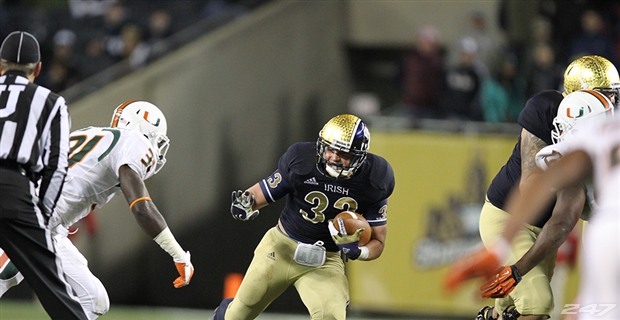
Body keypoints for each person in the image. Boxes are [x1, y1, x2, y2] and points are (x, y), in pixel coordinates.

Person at [444, 55, 620, 320]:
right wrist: (506, 254)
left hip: (554, 226)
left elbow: (563, 217)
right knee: (537, 305)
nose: (613, 103)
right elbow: (536, 187)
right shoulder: (565, 117)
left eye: (614, 95)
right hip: (510, 215)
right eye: (603, 96)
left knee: (517, 309)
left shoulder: (601, 127)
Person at [0, 100, 195, 319]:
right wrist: (178, 254)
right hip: (29, 212)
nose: (156, 150)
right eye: (156, 139)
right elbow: (141, 207)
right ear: (143, 128)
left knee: (94, 300)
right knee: (6, 273)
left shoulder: (95, 134)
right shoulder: (135, 141)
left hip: (46, 221)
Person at [210, 114, 395, 320]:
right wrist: (246, 203)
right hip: (280, 249)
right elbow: (262, 192)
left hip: (326, 261)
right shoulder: (302, 160)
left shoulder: (375, 179)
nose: (334, 157)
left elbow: (378, 241)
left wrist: (357, 252)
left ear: (360, 156)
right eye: (330, 149)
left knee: (331, 317)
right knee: (238, 314)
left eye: (343, 153)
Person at [0, 30, 88, 319]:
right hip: (16, 189)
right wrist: (41, 216)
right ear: (37, 69)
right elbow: (57, 166)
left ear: (0, 66)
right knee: (55, 290)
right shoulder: (51, 102)